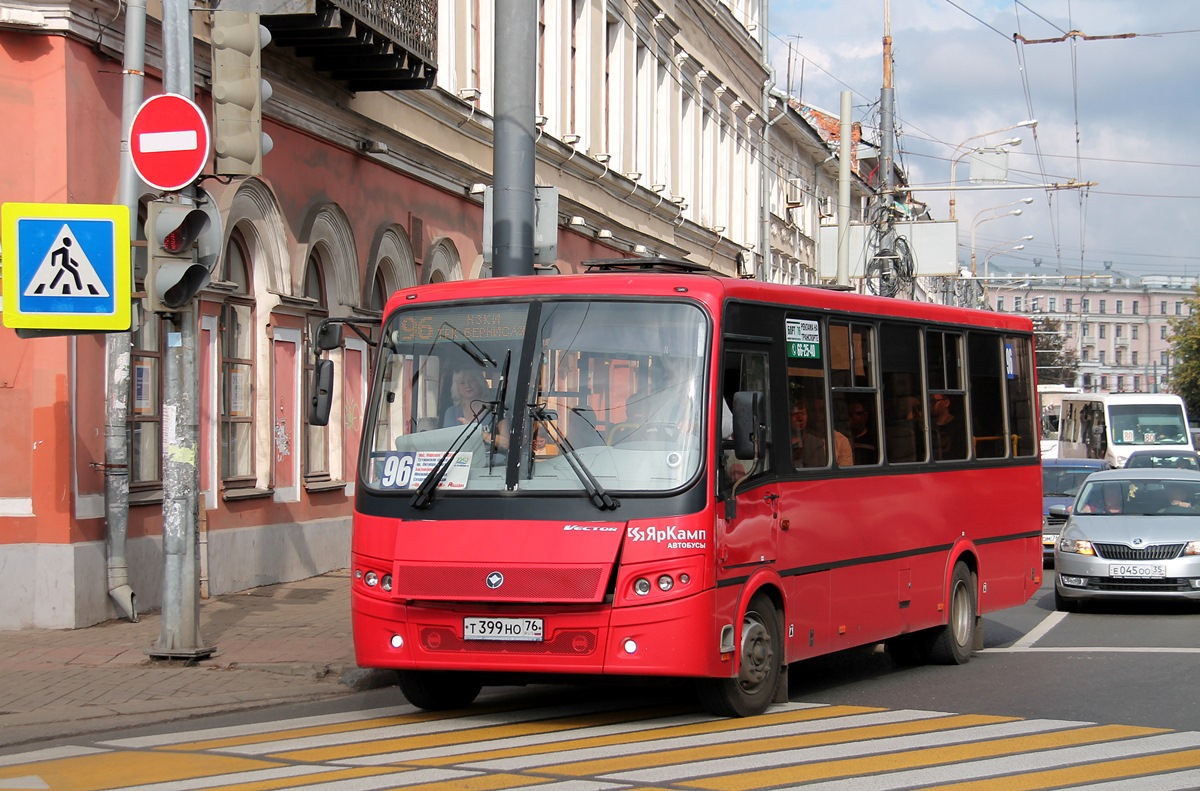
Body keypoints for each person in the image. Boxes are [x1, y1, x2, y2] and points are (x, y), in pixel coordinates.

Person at [791, 400, 852, 468]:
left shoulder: (841, 441)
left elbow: (843, 474)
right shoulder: (798, 436)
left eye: (822, 410)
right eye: (815, 411)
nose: (819, 415)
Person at [930, 393, 966, 460]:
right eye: (928, 401)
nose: (930, 405)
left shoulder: (960, 425)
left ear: (946, 403)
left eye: (933, 401)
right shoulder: (928, 426)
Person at [846, 400, 878, 465]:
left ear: (865, 416)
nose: (854, 417)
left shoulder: (874, 440)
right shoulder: (843, 439)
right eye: (850, 414)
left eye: (858, 414)